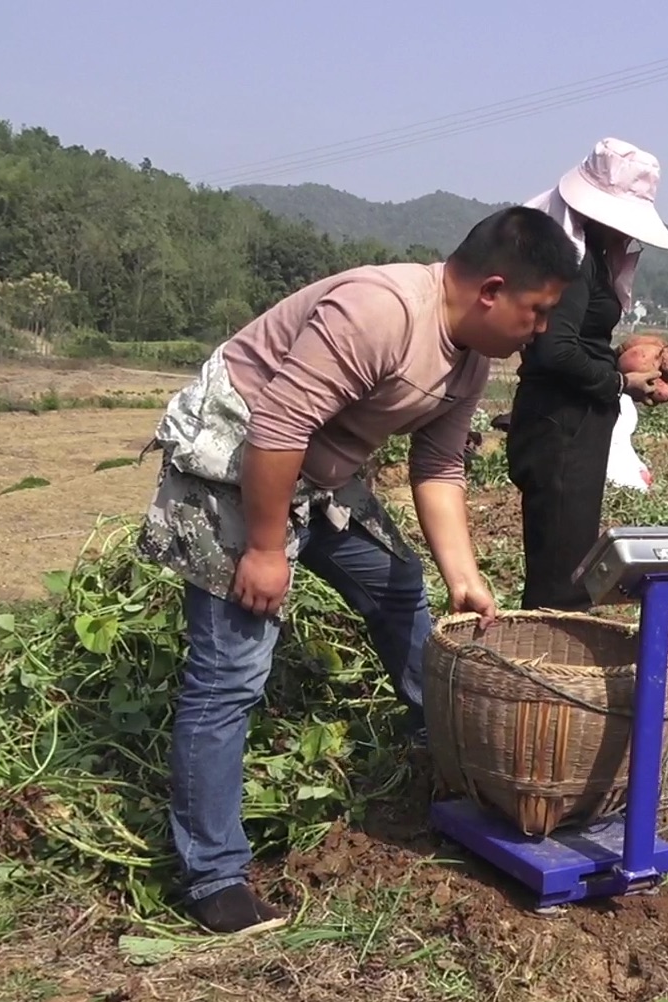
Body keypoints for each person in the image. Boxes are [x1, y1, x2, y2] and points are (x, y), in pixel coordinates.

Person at [136, 206, 580, 935]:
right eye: (537, 313)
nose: (539, 331)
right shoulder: (380, 312)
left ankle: (444, 758)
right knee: (231, 674)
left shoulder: (469, 356)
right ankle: (211, 875)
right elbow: (276, 427)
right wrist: (266, 550)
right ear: (493, 290)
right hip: (237, 466)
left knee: (400, 589)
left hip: (319, 475)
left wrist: (462, 573)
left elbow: (437, 467)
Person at [508, 137, 668, 611]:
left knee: (566, 554)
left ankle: (548, 647)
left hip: (572, 423)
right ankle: (547, 661)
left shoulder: (591, 259)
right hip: (561, 424)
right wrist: (621, 382)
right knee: (560, 574)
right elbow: (555, 350)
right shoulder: (574, 263)